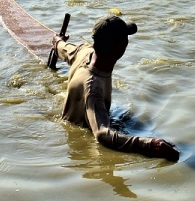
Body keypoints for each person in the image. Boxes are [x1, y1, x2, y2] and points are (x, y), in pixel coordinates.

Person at [51, 15, 180, 161]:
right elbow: (102, 134)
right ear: (122, 47)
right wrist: (149, 145)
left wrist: (57, 41)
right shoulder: (94, 87)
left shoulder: (84, 51)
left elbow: (63, 48)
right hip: (81, 141)